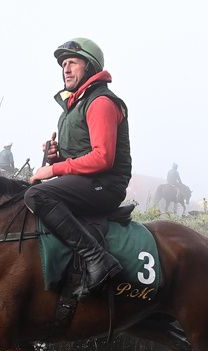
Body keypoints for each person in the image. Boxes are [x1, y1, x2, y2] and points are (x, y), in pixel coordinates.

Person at [26, 37, 132, 298]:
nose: (66, 69)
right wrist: (55, 157)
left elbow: (102, 158)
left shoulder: (101, 102)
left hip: (105, 185)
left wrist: (53, 170)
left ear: (91, 67)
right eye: (63, 64)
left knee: (37, 195)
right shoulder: (71, 108)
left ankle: (98, 260)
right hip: (88, 182)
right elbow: (79, 155)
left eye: (73, 62)